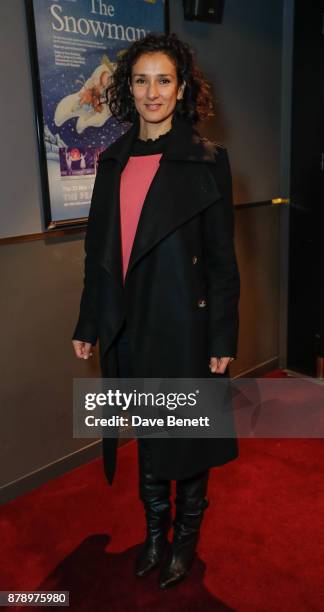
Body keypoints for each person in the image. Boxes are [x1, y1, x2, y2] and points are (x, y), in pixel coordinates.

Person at [72, 32, 240, 589]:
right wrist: (89, 322)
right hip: (129, 323)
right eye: (141, 80)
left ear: (183, 87)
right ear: (128, 87)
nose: (152, 92)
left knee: (184, 439)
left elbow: (221, 261)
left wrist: (221, 338)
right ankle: (153, 536)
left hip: (184, 326)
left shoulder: (207, 159)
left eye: (163, 80)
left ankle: (184, 542)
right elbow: (98, 253)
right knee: (147, 435)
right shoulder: (113, 160)